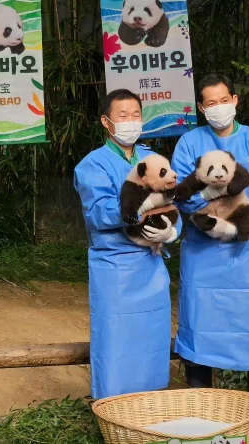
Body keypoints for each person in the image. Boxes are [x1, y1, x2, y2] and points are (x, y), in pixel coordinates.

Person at [171, 74, 249, 399]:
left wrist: (239, 224)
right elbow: (182, 192)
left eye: (224, 100)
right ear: (201, 107)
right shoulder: (190, 144)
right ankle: (204, 417)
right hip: (203, 252)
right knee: (200, 332)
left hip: (248, 255)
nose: (218, 107)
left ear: (234, 101)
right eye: (211, 103)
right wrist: (210, 218)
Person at [73, 89, 182, 400]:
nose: (131, 121)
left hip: (151, 265)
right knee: (116, 346)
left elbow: (175, 202)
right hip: (115, 270)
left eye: (136, 115)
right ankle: (114, 414)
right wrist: (141, 204)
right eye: (123, 116)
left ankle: (148, 413)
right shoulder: (92, 165)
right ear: (106, 122)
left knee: (152, 342)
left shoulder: (152, 159)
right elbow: (97, 213)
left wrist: (172, 232)